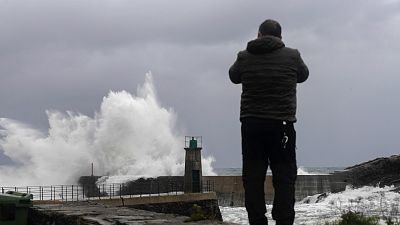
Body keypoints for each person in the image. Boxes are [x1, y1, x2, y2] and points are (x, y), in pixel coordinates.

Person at [229, 19, 309, 225]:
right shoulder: (292, 56)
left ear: (259, 35)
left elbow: (233, 76)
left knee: (253, 177)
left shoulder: (244, 57)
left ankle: (257, 221)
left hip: (252, 126)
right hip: (282, 126)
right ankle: (283, 221)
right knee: (284, 178)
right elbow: (303, 75)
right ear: (280, 37)